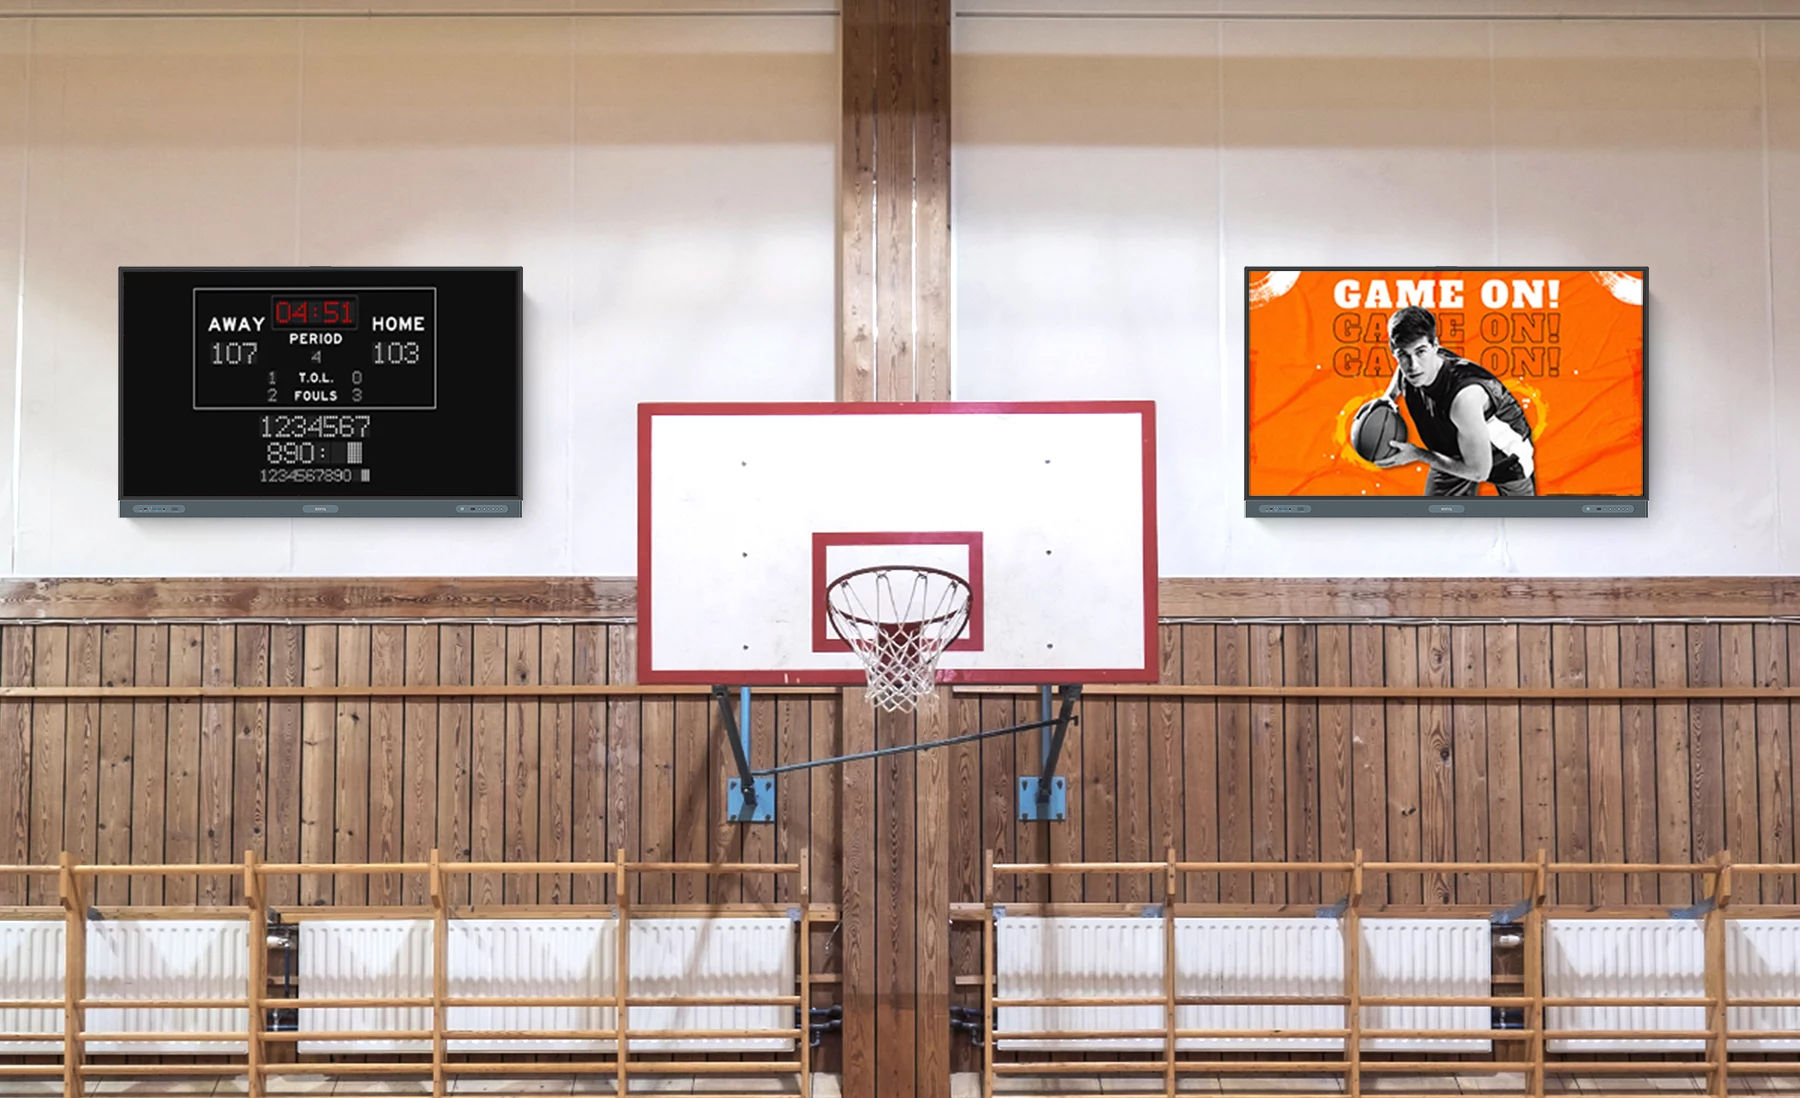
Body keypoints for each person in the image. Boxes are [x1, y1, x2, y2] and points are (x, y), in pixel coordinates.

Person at [1375, 305, 1536, 496]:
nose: (1413, 366)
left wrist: (1418, 454)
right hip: (1452, 449)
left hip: (1505, 460)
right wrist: (1389, 397)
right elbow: (1406, 363)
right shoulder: (1414, 364)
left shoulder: (1464, 399)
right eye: (1403, 355)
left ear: (1435, 346)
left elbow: (1479, 471)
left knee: (1521, 524)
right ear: (1394, 351)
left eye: (1420, 352)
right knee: (1437, 520)